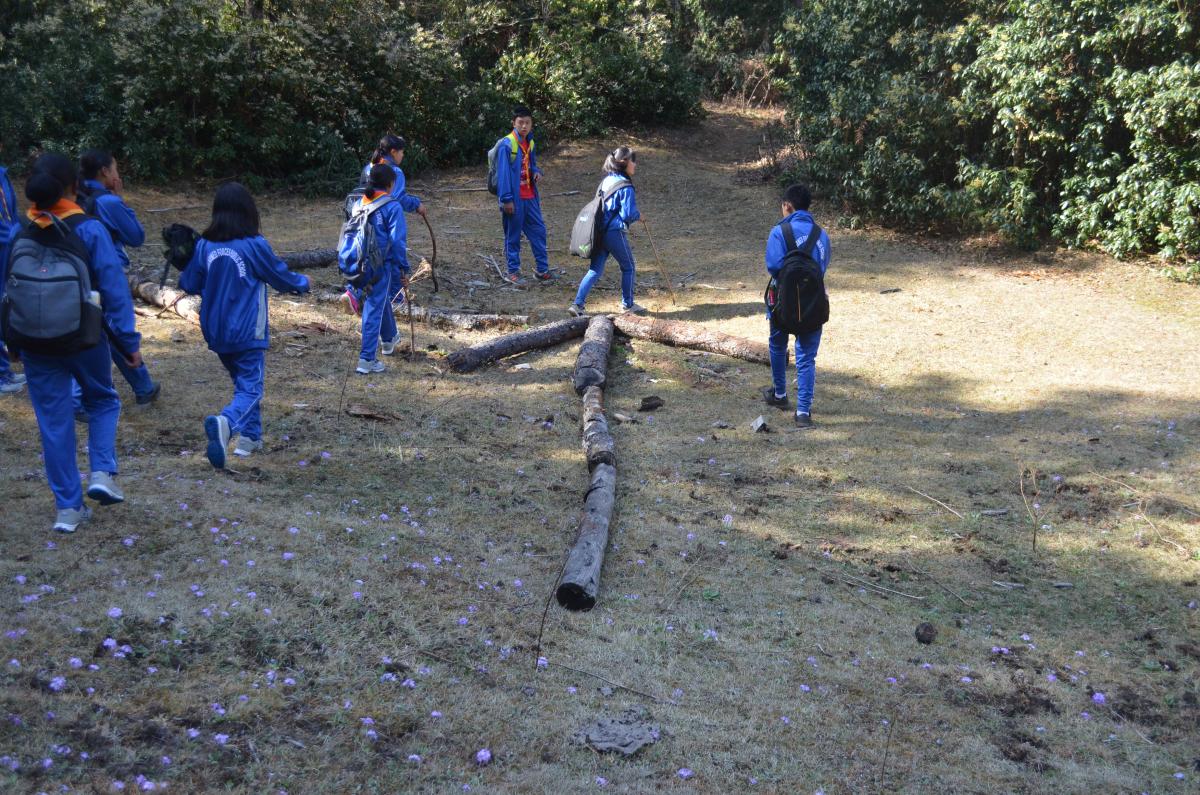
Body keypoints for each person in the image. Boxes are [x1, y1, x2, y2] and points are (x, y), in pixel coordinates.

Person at [6, 153, 141, 532]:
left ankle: (68, 508)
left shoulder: (21, 231)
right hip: (85, 338)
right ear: (74, 187)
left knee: (53, 421)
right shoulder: (89, 229)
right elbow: (115, 292)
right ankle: (101, 471)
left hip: (34, 343)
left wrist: (10, 340)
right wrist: (129, 341)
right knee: (102, 399)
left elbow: (7, 291)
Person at [179, 182, 310, 469]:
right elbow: (279, 275)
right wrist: (303, 284)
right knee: (251, 389)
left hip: (215, 331)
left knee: (243, 383)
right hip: (247, 330)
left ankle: (251, 438)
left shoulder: (204, 246)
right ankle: (226, 423)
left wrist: (185, 259)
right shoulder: (254, 246)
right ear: (249, 212)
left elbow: (188, 283)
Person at [73, 149, 160, 405]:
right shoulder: (108, 202)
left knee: (91, 332)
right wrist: (121, 200)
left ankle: (143, 386)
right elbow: (136, 237)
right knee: (113, 332)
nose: (117, 174)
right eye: (115, 169)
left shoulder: (74, 196)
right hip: (107, 271)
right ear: (104, 172)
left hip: (76, 273)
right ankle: (82, 399)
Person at [761, 184, 830, 429]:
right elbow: (822, 267)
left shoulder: (779, 232)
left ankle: (780, 394)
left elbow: (774, 266)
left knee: (778, 344)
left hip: (783, 302)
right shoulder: (821, 235)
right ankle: (803, 412)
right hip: (813, 302)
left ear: (787, 206)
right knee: (807, 357)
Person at [345, 134, 424, 312]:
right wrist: (416, 204)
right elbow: (397, 199)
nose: (403, 156)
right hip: (383, 222)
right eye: (402, 152)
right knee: (389, 256)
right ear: (393, 152)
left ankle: (353, 293)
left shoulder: (369, 167)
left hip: (362, 220)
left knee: (364, 258)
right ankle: (395, 297)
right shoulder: (395, 172)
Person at [569, 147, 644, 315]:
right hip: (614, 232)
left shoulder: (607, 180)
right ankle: (628, 305)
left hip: (599, 232)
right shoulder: (626, 187)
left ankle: (577, 305)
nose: (635, 165)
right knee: (629, 267)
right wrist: (639, 216)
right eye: (633, 161)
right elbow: (628, 214)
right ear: (624, 163)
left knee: (595, 270)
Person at [350, 164, 406, 375]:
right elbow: (397, 242)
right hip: (380, 265)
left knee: (379, 301)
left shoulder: (358, 203)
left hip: (357, 263)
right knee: (373, 307)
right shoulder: (392, 206)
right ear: (390, 184)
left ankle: (389, 338)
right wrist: (403, 268)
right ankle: (366, 359)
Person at [496, 106, 553, 285]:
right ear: (513, 123)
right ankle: (512, 271)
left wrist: (537, 172)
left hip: (530, 197)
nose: (524, 126)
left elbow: (532, 165)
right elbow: (503, 174)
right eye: (520, 122)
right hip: (513, 199)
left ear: (531, 124)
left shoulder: (531, 142)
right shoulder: (506, 145)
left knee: (539, 231)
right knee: (513, 235)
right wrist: (506, 199)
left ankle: (542, 270)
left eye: (527, 123)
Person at [0, 148, 25, 394]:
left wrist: (17, 233)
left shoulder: (2, 175)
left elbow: (11, 214)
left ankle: (4, 370)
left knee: (5, 302)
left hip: (8, 246)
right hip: (2, 244)